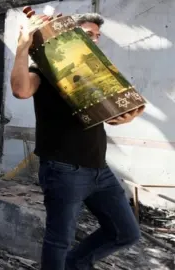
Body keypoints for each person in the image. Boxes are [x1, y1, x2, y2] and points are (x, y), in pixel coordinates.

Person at [10, 13, 144, 270]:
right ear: (68, 35)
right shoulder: (44, 69)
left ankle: (74, 266)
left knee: (126, 233)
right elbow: (21, 90)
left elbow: (110, 113)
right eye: (87, 34)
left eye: (96, 36)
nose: (93, 40)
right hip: (64, 170)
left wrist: (123, 118)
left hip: (99, 170)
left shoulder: (93, 75)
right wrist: (22, 45)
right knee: (59, 241)